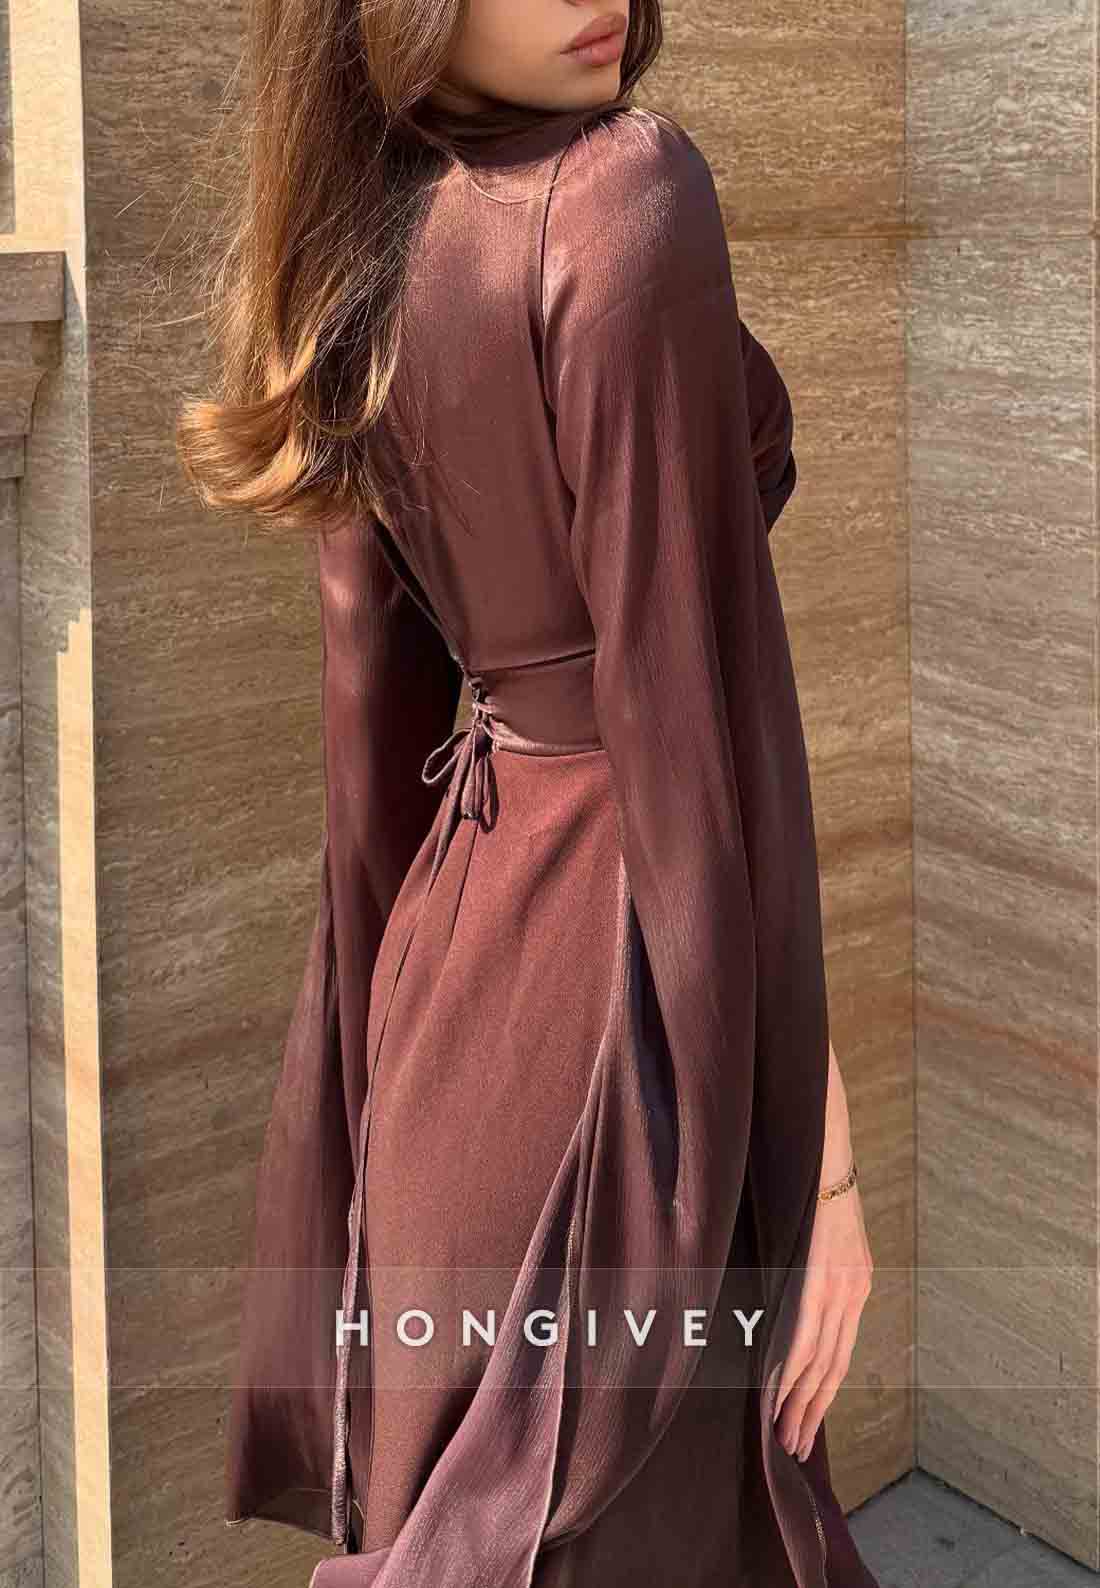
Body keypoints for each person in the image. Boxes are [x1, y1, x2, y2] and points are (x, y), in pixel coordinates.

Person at [177, 2, 879, 1584]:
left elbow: (372, 754)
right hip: (628, 1042)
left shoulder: (359, 253)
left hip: (446, 1032)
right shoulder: (627, 192)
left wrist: (370, 1121)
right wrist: (819, 1169)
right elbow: (698, 761)